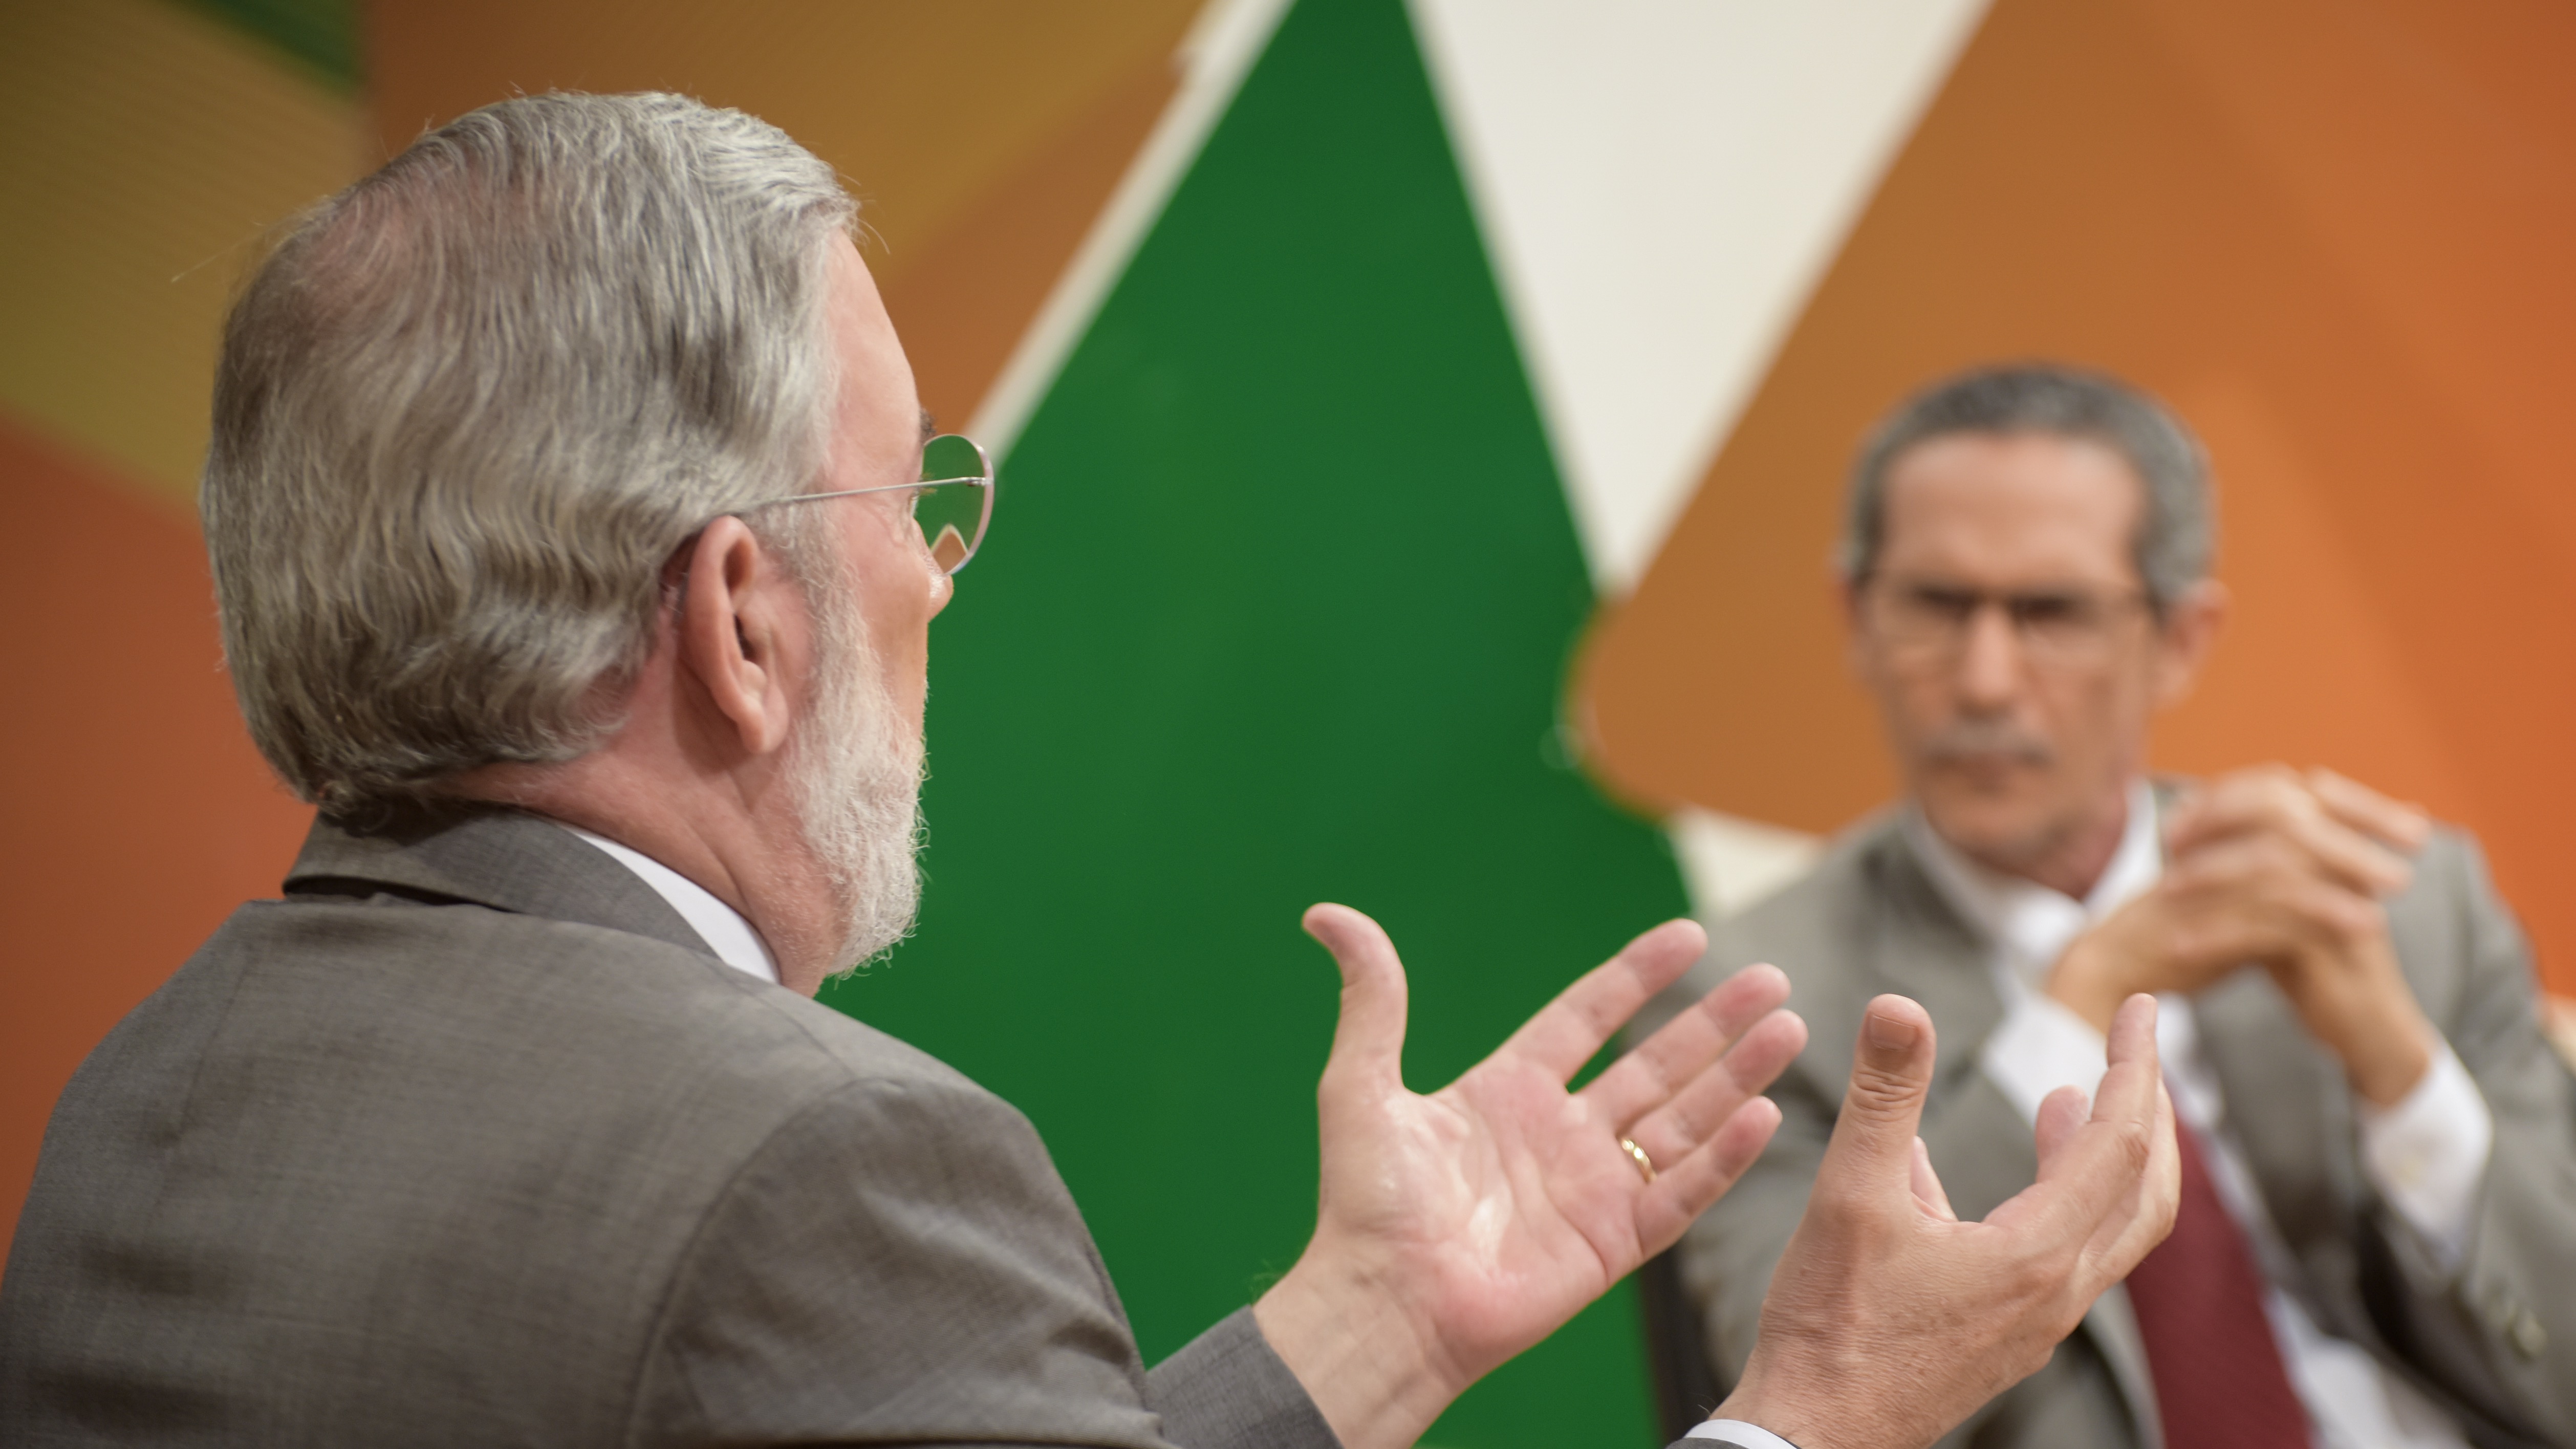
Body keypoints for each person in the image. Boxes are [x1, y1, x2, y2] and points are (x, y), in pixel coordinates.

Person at [0, 99, 2176, 1449]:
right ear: (743, 621)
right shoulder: (815, 1170)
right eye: (911, 503)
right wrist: (1819, 1421)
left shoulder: (152, 1089)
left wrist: (1369, 1333)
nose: (936, 581)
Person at [1640, 363, 2576, 1449]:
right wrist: (2078, 1005)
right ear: (1856, 617)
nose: (1985, 681)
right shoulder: (1749, 997)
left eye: (2053, 613)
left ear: (2180, 639)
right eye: (1936, 606)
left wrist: (2400, 1071)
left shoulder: (2395, 905)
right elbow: (1792, 1413)